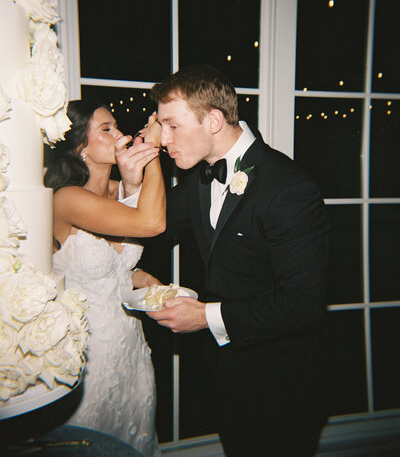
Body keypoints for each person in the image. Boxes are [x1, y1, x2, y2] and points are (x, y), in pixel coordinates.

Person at [138, 65, 330, 456]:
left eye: (172, 126)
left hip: (284, 386)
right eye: (162, 127)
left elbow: (303, 305)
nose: (164, 140)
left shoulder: (289, 188)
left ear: (212, 120)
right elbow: (149, 227)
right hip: (227, 376)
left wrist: (203, 316)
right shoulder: (195, 178)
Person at [44, 99, 165, 457]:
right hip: (87, 358)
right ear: (79, 144)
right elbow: (152, 222)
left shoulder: (118, 189)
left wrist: (143, 279)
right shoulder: (65, 199)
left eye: (117, 126)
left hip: (130, 349)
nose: (120, 135)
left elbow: (116, 269)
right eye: (106, 129)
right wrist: (151, 152)